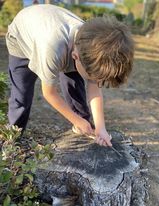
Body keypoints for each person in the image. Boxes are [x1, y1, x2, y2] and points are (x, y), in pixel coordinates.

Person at [6, 4, 134, 147]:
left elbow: (94, 88)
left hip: (52, 29)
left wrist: (100, 127)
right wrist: (76, 120)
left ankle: (84, 126)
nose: (94, 81)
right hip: (21, 36)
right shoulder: (53, 49)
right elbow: (49, 93)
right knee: (22, 94)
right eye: (91, 76)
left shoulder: (91, 44)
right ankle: (12, 137)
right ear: (75, 56)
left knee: (73, 82)